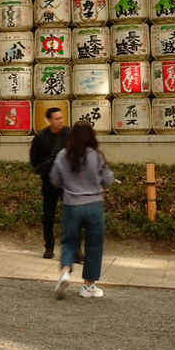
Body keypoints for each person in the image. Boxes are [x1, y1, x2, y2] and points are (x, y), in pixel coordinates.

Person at [50, 120, 114, 300]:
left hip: (72, 205)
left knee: (69, 241)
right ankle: (88, 286)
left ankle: (65, 272)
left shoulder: (63, 155)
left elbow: (54, 180)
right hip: (94, 205)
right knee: (94, 245)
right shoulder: (97, 156)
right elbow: (108, 179)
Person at [30, 107, 71, 259]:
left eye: (61, 118)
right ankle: (49, 247)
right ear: (49, 120)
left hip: (68, 182)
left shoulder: (69, 134)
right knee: (49, 216)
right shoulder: (41, 138)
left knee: (72, 215)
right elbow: (35, 163)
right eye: (56, 118)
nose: (60, 121)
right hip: (50, 182)